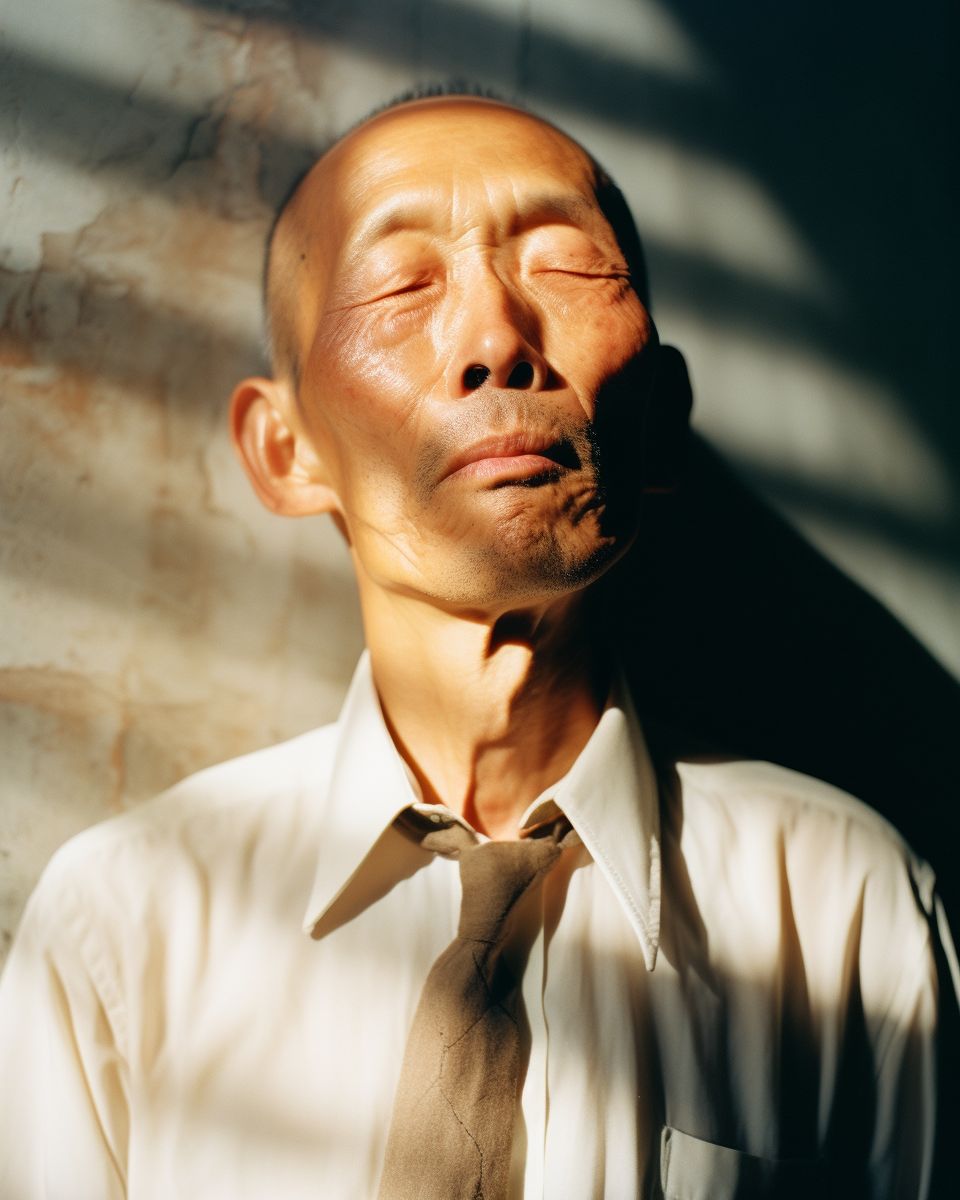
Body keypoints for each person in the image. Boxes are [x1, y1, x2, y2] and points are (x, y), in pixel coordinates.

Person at [0, 89, 956, 1200]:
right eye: (401, 285)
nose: (496, 339)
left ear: (661, 417)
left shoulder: (846, 915)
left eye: (566, 267)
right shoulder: (126, 927)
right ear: (284, 448)